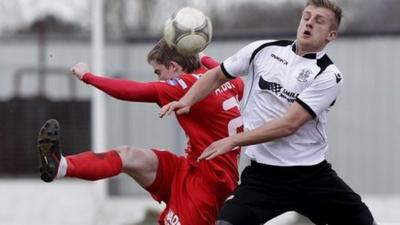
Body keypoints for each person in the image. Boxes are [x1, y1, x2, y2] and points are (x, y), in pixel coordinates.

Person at [159, 0, 377, 224]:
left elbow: (288, 125)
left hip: (311, 177)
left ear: (331, 35)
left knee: (363, 221)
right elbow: (217, 74)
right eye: (306, 17)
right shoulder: (262, 50)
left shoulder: (328, 75)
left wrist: (234, 140)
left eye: (319, 21)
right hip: (263, 178)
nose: (309, 23)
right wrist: (186, 101)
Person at [37, 39, 244, 225]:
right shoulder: (231, 81)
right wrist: (194, 47)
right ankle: (62, 165)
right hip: (191, 167)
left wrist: (88, 76)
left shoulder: (184, 86)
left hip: (207, 185)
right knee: (129, 156)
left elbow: (132, 91)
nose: (160, 79)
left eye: (159, 72)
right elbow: (212, 63)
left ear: (173, 66)